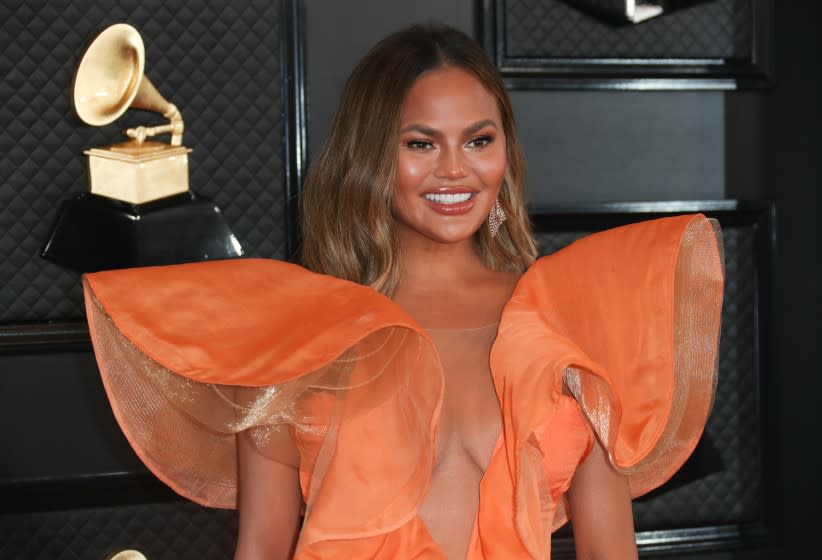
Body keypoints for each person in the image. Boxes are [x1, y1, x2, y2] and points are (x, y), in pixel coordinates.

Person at [82, 24, 724, 560]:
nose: (455, 170)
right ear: (369, 158)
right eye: (421, 143)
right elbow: (262, 549)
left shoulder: (572, 317)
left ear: (505, 152)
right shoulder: (299, 334)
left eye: (479, 140)